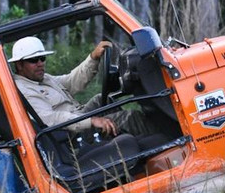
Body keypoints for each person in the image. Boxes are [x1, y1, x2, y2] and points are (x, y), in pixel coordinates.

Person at [10, 36, 152, 139]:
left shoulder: (42, 79)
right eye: (33, 60)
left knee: (101, 100)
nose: (40, 63)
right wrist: (91, 121)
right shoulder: (24, 91)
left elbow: (71, 81)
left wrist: (93, 58)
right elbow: (52, 119)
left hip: (76, 119)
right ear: (19, 65)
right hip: (70, 134)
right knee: (130, 117)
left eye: (42, 58)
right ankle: (167, 138)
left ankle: (133, 141)